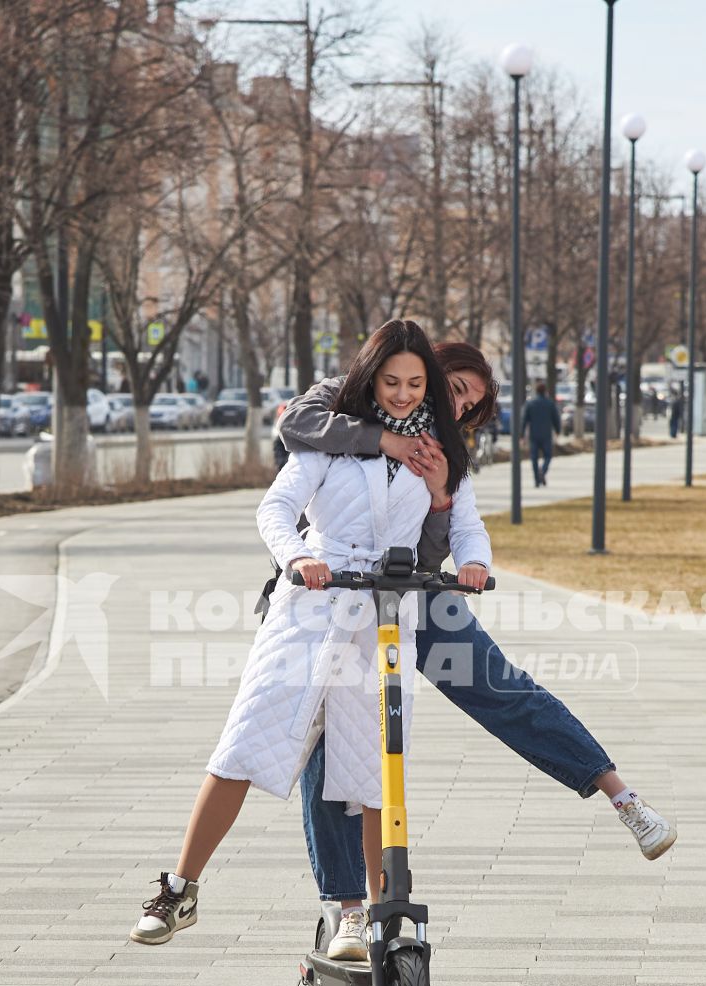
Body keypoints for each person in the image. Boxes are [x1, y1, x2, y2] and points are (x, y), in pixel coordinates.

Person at [280, 345, 676, 963]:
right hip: (337, 593)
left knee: (501, 689)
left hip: (416, 596)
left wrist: (440, 497)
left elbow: (444, 541)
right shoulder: (353, 395)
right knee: (332, 740)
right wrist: (382, 443)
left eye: (471, 402)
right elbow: (295, 425)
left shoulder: (449, 453)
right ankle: (346, 907)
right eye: (455, 388)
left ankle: (622, 796)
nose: (458, 404)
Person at [128, 320, 489, 946]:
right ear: (371, 379)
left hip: (379, 620)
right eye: (391, 381)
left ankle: (376, 915)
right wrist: (297, 556)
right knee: (244, 742)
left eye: (415, 383)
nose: (403, 394)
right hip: (310, 606)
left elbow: (463, 524)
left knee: (374, 770)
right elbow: (274, 507)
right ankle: (179, 889)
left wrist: (474, 559)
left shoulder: (441, 452)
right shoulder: (334, 440)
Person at [524, 380, 559, 487]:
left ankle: (536, 480)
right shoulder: (550, 404)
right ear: (545, 391)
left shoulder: (531, 404)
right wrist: (558, 431)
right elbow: (556, 418)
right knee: (548, 456)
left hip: (533, 435)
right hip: (546, 435)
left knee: (534, 458)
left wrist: (521, 435)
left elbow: (524, 420)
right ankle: (542, 472)